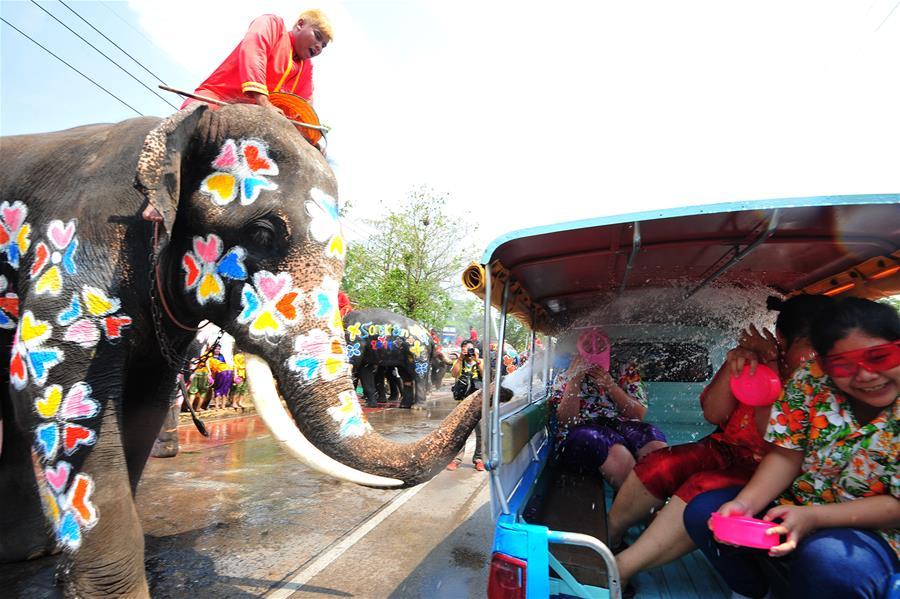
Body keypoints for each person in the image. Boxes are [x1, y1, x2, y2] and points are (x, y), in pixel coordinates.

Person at [607, 295, 833, 589]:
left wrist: (771, 365)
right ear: (781, 339)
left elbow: (776, 438)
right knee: (661, 464)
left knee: (700, 486)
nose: (819, 356)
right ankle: (608, 538)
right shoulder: (759, 360)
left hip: (769, 465)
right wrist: (735, 363)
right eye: (811, 346)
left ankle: (620, 569)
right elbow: (714, 412)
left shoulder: (815, 379)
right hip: (725, 447)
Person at [683, 297, 900, 599]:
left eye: (880, 357)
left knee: (830, 558)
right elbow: (786, 455)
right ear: (824, 363)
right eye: (843, 364)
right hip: (801, 504)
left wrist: (814, 518)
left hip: (882, 532)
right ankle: (753, 592)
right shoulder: (810, 380)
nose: (865, 375)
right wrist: (745, 505)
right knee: (706, 513)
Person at [551, 328, 668, 489]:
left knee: (652, 439)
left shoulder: (625, 371)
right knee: (608, 446)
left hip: (619, 424)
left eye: (600, 345)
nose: (593, 349)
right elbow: (566, 422)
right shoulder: (565, 375)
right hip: (582, 431)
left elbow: (639, 414)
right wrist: (574, 380)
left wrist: (610, 385)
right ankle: (635, 502)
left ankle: (657, 498)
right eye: (588, 346)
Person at [181, 10, 333, 113]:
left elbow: (303, 107)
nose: (319, 46)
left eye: (324, 45)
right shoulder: (273, 24)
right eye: (317, 36)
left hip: (254, 121)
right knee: (187, 122)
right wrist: (263, 101)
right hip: (216, 99)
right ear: (300, 25)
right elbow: (254, 51)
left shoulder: (306, 68)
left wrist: (311, 136)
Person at [447, 339, 485, 471]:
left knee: (480, 432)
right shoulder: (459, 362)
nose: (467, 352)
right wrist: (460, 359)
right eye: (465, 349)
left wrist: (477, 360)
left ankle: (479, 459)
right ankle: (456, 459)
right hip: (461, 403)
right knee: (459, 433)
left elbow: (486, 375)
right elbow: (454, 373)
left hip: (477, 403)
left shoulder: (479, 361)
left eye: (469, 349)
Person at [207, 346, 234, 411]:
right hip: (226, 372)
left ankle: (219, 406)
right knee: (223, 389)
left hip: (224, 372)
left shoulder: (221, 356)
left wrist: (211, 376)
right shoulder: (210, 356)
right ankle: (220, 406)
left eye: (219, 349)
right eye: (216, 349)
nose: (217, 350)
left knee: (220, 389)